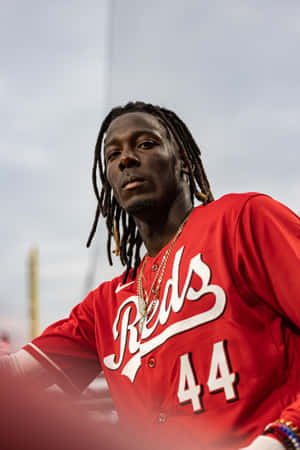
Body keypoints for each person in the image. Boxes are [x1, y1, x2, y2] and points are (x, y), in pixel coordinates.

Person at [1, 101, 299, 450]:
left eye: (145, 144)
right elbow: (15, 377)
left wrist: (282, 439)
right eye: (112, 155)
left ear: (183, 159)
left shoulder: (242, 221)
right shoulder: (106, 306)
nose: (125, 159)